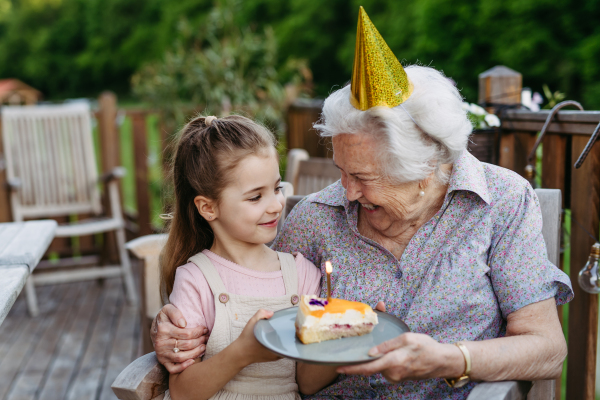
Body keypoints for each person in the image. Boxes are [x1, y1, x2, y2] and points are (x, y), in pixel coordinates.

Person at [151, 7, 573, 399]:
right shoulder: (315, 219)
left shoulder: (501, 202)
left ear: (426, 167)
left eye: (364, 178)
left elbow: (547, 349)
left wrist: (450, 359)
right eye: (341, 170)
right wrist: (173, 327)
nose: (346, 192)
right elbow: (244, 287)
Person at [161, 114, 321, 400]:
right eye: (255, 197)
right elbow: (182, 393)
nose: (275, 205)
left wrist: (348, 343)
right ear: (208, 208)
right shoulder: (197, 280)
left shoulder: (302, 274)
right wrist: (242, 353)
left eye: (277, 188)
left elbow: (307, 383)